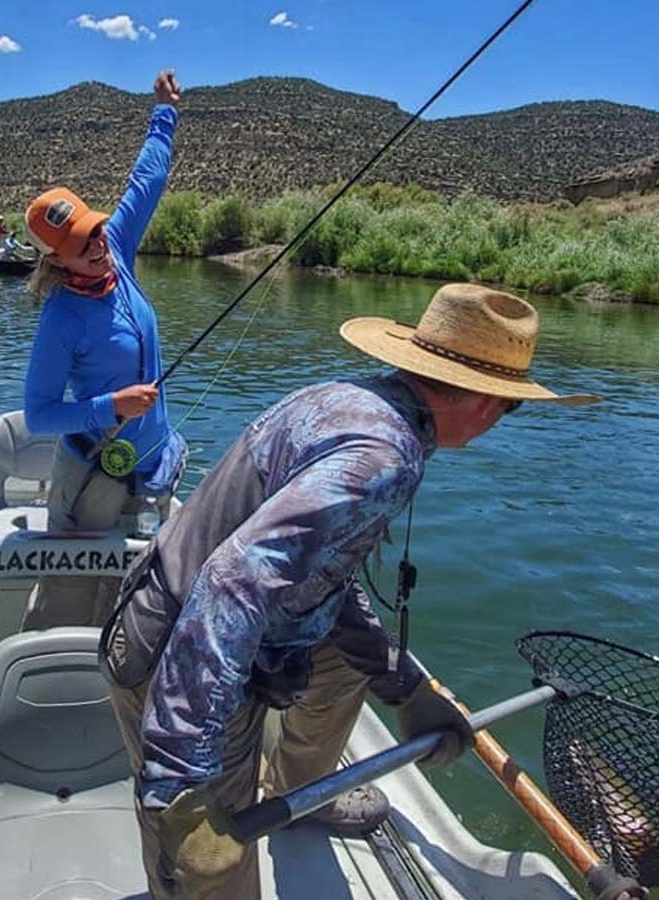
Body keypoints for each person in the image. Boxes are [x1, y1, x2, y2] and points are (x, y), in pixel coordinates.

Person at [99, 282, 600, 899]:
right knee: (209, 875)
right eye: (509, 406)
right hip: (181, 662)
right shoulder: (383, 459)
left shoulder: (346, 397)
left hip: (160, 617)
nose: (500, 419)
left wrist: (403, 684)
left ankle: (299, 795)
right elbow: (230, 587)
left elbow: (319, 575)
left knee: (343, 664)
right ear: (486, 402)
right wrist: (181, 786)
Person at [22, 69, 187, 630]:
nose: (96, 248)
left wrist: (164, 112)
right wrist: (110, 406)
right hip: (90, 476)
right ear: (55, 262)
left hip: (151, 467)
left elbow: (147, 178)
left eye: (94, 232)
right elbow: (39, 414)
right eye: (79, 246)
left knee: (136, 602)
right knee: (70, 603)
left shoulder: (116, 245)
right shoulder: (61, 319)